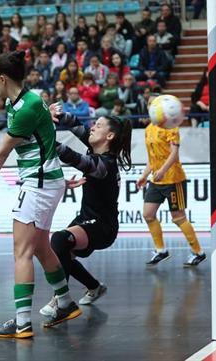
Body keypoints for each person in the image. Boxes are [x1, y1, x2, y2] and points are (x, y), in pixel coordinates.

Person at [0, 51, 81, 339]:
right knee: (42, 247)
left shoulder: (25, 108)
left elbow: (1, 153)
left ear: (3, 78)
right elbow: (43, 138)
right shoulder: (18, 101)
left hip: (38, 183)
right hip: (46, 180)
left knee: (21, 253)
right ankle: (66, 303)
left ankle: (22, 323)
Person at [39, 109, 133, 316]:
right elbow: (76, 126)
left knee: (60, 240)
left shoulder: (105, 164)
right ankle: (94, 286)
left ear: (109, 136)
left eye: (98, 125)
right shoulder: (97, 149)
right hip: (87, 218)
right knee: (59, 252)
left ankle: (60, 300)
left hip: (102, 226)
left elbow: (74, 158)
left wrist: (45, 137)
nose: (92, 127)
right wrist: (54, 114)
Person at [137, 121, 206, 267]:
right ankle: (161, 250)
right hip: (156, 180)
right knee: (148, 214)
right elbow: (152, 158)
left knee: (178, 218)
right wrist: (144, 175)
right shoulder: (149, 128)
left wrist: (162, 171)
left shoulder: (171, 128)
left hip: (174, 179)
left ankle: (198, 252)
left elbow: (174, 154)